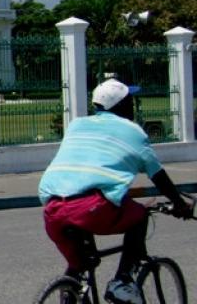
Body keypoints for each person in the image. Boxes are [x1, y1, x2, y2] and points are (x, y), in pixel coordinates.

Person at [38, 78, 193, 304]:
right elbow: (158, 175)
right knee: (139, 216)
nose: (134, 105)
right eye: (130, 101)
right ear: (121, 106)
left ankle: (69, 293)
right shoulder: (133, 132)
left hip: (53, 209)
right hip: (91, 208)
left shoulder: (76, 125)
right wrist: (179, 203)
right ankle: (122, 282)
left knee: (79, 267)